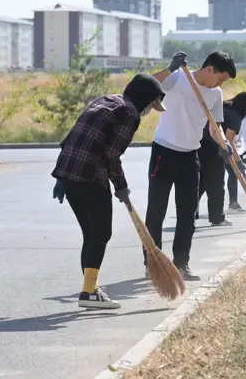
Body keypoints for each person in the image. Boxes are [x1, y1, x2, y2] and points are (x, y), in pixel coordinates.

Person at [51, 74, 166, 309]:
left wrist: (61, 177)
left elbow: (71, 137)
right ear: (145, 99)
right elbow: (112, 154)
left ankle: (90, 289)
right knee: (101, 234)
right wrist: (121, 185)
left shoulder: (104, 100)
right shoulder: (129, 113)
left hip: (69, 173)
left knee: (91, 234)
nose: (148, 111)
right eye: (151, 105)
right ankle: (89, 293)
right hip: (90, 177)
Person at [145, 50, 236, 282]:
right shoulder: (178, 78)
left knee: (187, 214)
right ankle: (152, 263)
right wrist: (170, 67)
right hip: (163, 151)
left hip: (189, 156)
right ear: (209, 70)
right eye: (221, 77)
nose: (220, 83)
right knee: (157, 211)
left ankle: (181, 264)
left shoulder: (215, 94)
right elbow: (148, 84)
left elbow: (215, 127)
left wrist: (224, 145)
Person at [195, 92, 246, 222]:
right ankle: (217, 218)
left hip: (199, 143)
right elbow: (229, 142)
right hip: (214, 147)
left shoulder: (224, 107)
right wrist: (238, 162)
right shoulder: (235, 117)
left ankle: (192, 212)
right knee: (216, 184)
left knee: (202, 181)